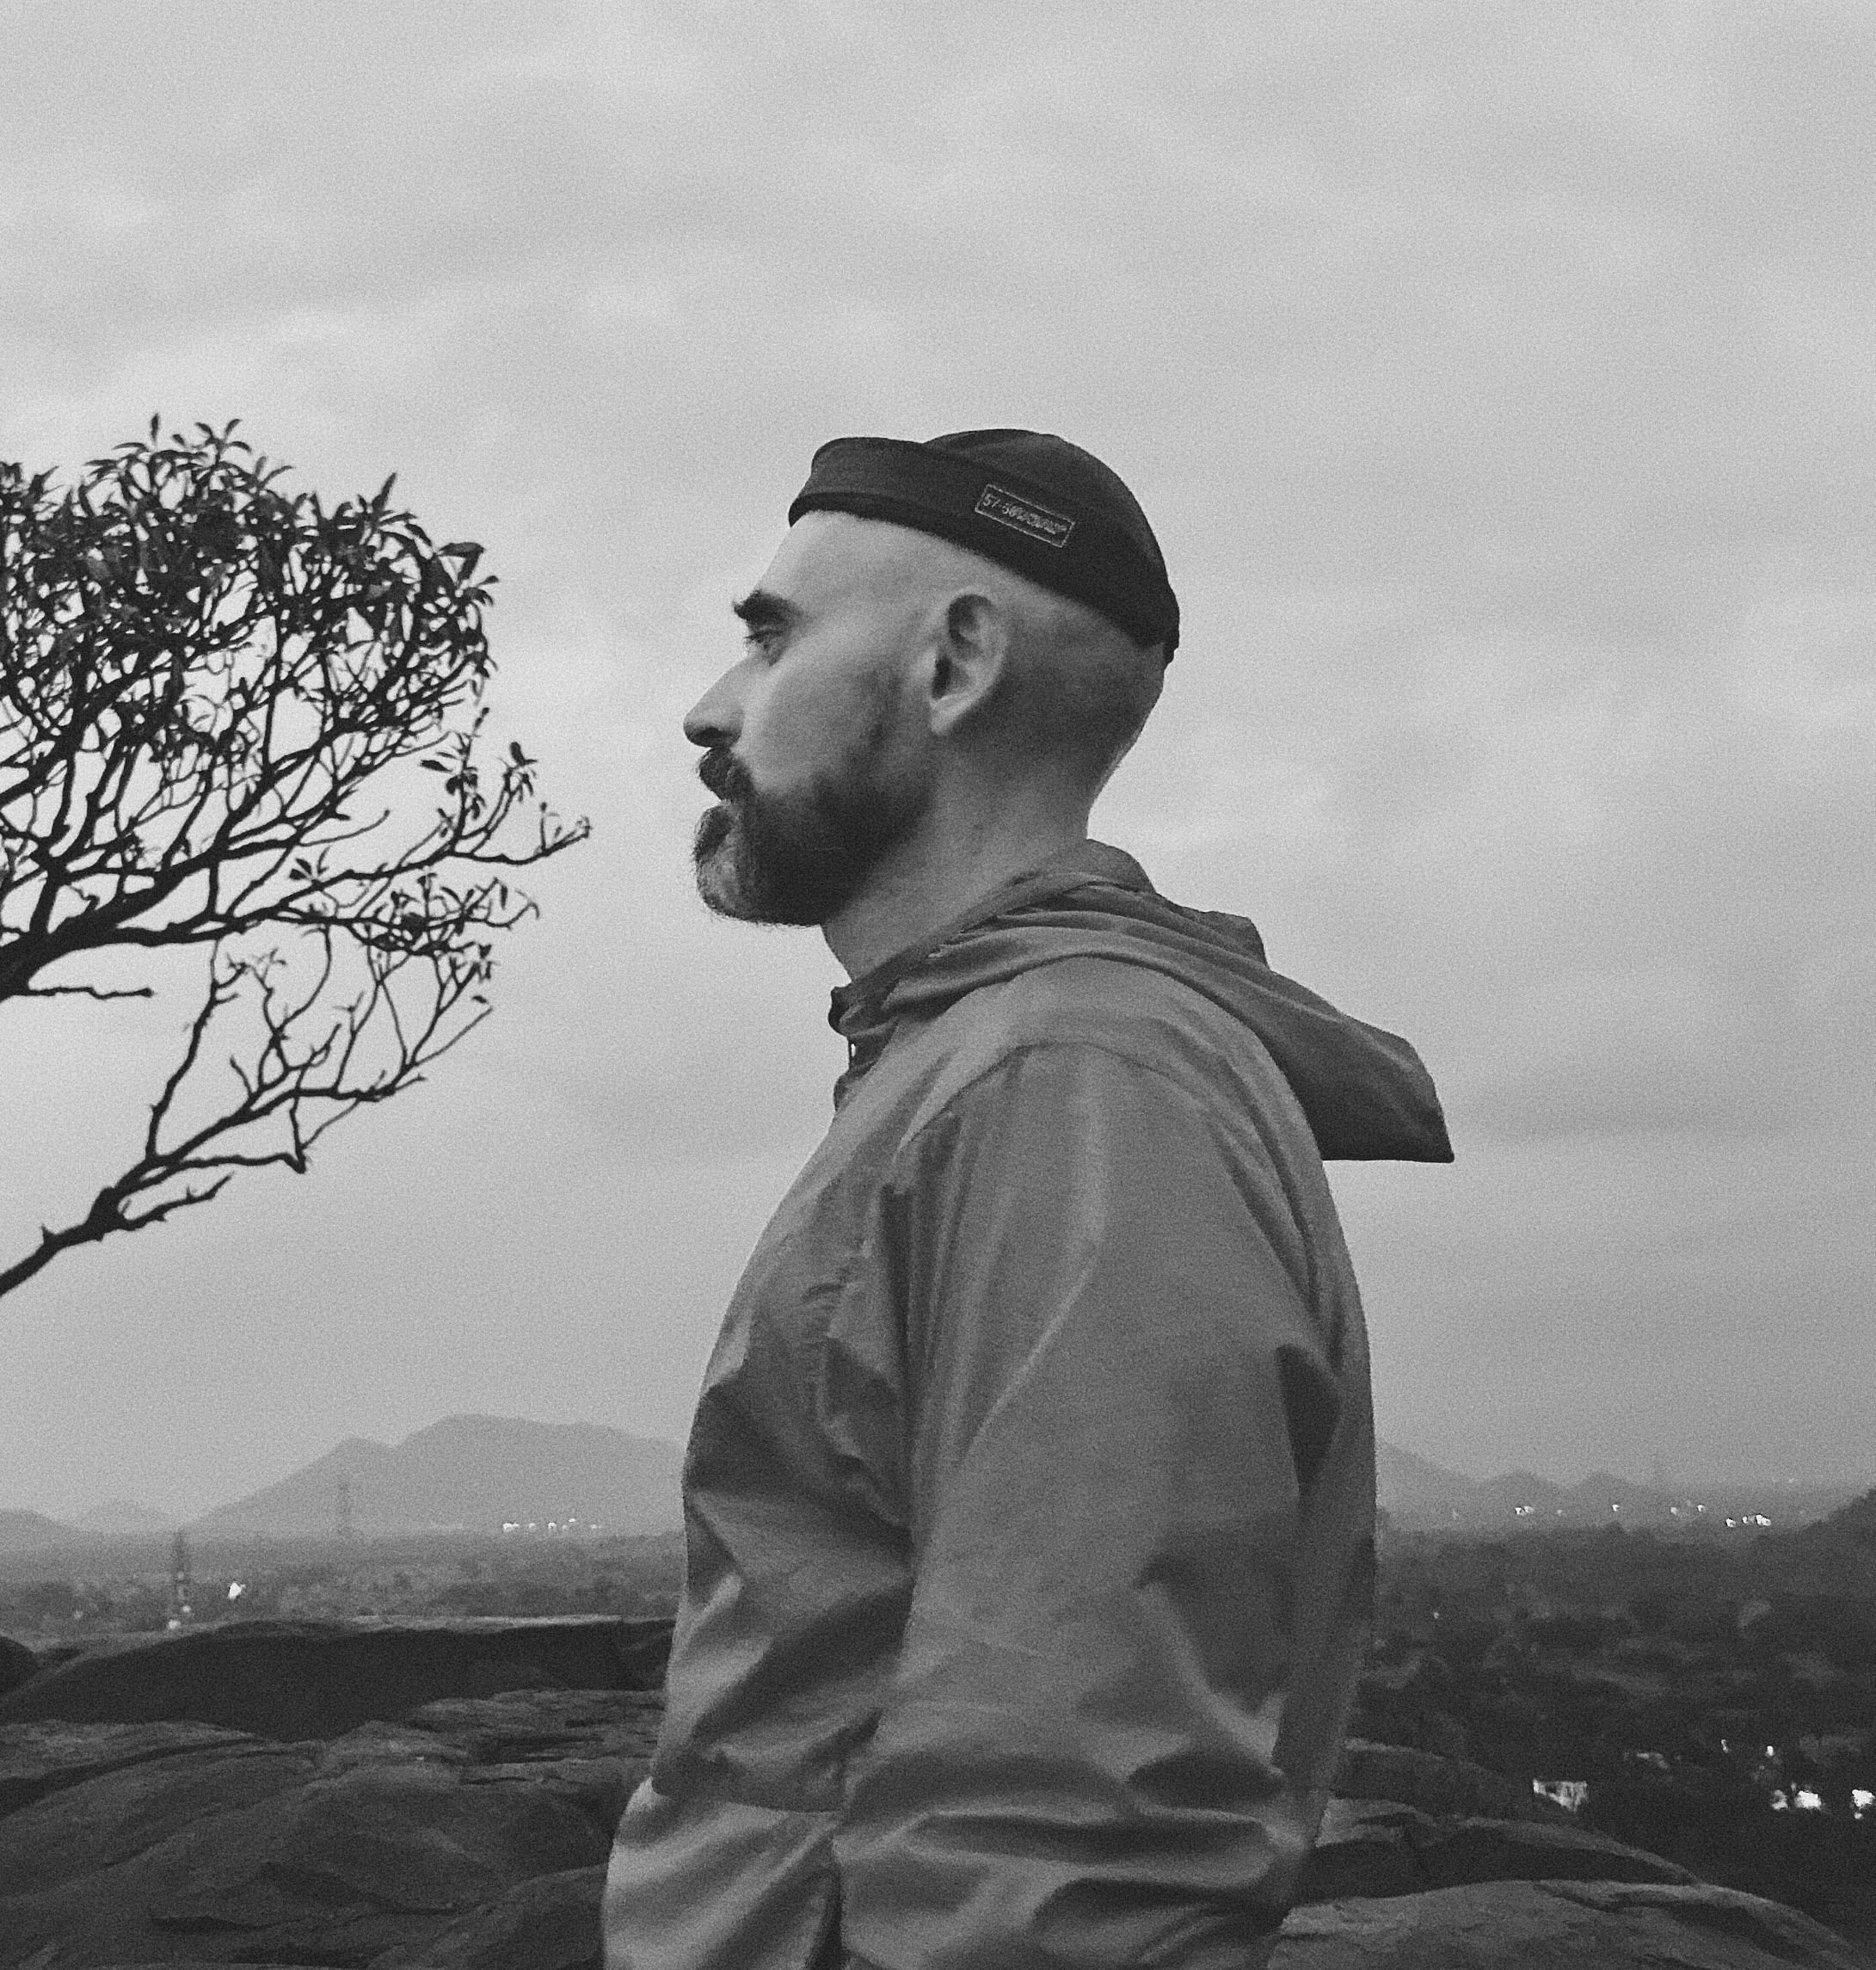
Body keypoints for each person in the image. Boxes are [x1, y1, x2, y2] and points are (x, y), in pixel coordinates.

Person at [601, 431, 1452, 1969]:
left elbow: (1066, 1838)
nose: (709, 708)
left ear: (954, 664)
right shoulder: (984, 1062)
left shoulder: (1071, 1086)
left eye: (771, 637)